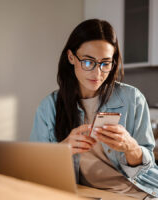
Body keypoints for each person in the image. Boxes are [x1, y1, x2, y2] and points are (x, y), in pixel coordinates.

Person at [30, 19, 158, 199]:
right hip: (87, 194)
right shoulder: (49, 106)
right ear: (71, 57)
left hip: (138, 193)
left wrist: (131, 148)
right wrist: (63, 149)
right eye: (88, 62)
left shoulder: (132, 98)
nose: (98, 74)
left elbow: (148, 166)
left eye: (105, 63)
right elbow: (33, 167)